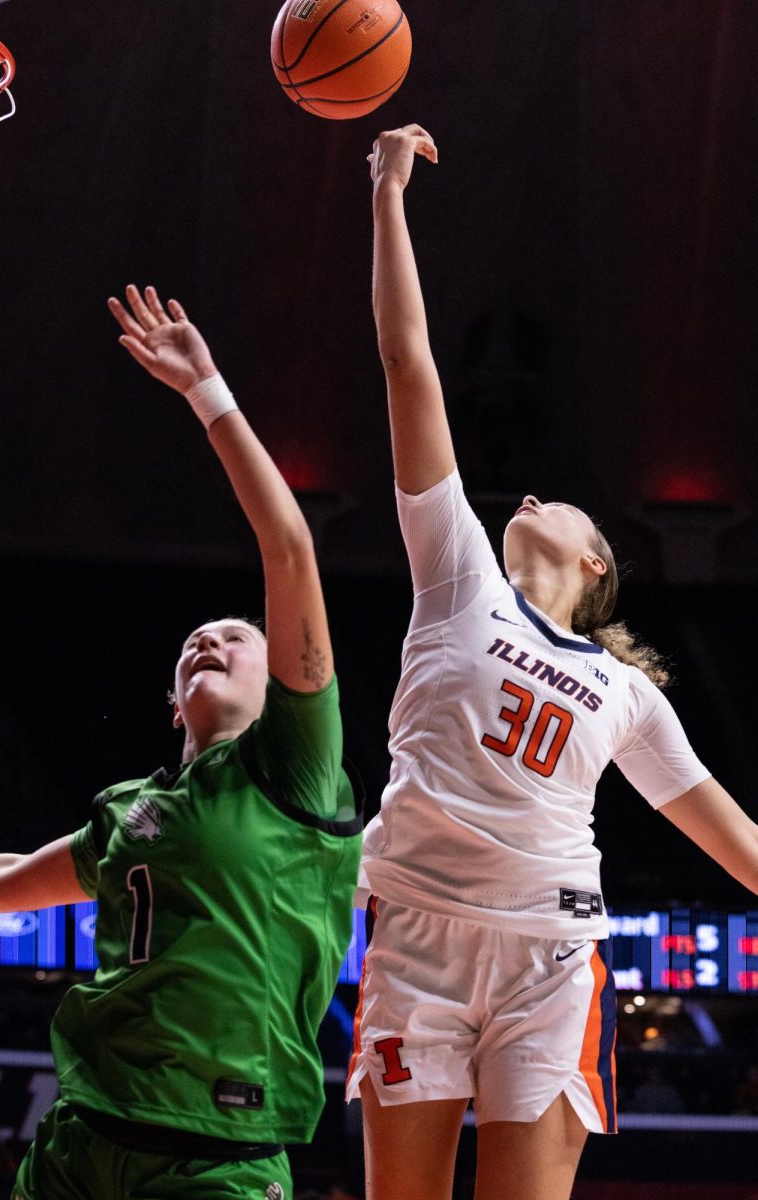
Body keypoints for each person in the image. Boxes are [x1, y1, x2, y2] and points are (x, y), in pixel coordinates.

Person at [345, 125, 758, 1200]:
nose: (524, 493)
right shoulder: (456, 574)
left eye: (557, 504)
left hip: (548, 953)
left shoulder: (627, 693)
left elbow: (735, 843)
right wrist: (386, 194)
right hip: (416, 945)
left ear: (591, 560)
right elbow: (407, 363)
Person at [0, 286, 362, 1200]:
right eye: (196, 642)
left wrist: (206, 390)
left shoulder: (294, 770)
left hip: (217, 1154)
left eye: (238, 638)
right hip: (81, 1140)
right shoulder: (130, 812)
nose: (210, 641)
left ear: (284, 687)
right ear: (175, 704)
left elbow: (288, 547)